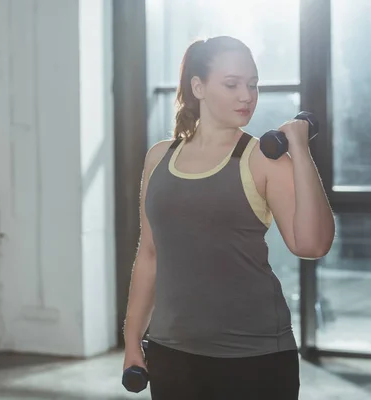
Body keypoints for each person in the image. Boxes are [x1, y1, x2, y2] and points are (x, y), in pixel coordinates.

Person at [122, 36, 335, 399]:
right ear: (198, 87)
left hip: (254, 357)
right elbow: (150, 254)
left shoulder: (263, 160)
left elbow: (312, 244)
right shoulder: (159, 158)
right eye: (232, 84)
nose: (246, 96)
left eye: (252, 85)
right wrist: (131, 342)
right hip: (171, 352)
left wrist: (299, 151)